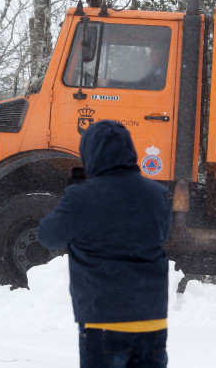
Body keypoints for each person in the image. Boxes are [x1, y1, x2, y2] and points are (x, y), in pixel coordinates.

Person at [38, 120, 172, 368]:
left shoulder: (81, 196)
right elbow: (159, 237)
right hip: (150, 320)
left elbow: (48, 235)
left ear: (90, 153)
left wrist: (74, 199)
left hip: (103, 322)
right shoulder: (157, 194)